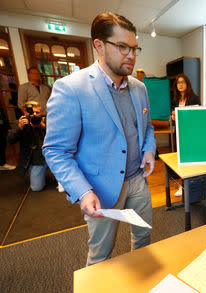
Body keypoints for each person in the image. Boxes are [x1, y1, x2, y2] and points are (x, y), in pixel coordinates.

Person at [43, 12, 156, 266]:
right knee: (101, 255)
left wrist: (149, 149)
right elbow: (56, 151)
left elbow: (147, 127)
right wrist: (83, 192)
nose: (131, 55)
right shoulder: (71, 88)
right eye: (122, 47)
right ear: (99, 45)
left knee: (144, 237)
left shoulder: (140, 88)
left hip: (138, 181)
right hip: (101, 190)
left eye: (134, 48)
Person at [170, 73, 200, 196]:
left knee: (190, 161)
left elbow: (196, 117)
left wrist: (180, 117)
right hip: (179, 132)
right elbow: (175, 117)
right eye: (178, 83)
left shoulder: (195, 98)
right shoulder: (176, 99)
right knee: (181, 160)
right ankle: (182, 187)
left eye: (182, 82)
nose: (180, 85)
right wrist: (173, 117)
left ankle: (192, 187)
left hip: (191, 134)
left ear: (187, 84)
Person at [7, 101, 46, 191]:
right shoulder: (20, 123)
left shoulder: (46, 120)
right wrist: (19, 128)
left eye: (37, 112)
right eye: (32, 112)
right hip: (36, 158)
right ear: (25, 112)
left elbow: (59, 137)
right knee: (36, 188)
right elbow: (10, 140)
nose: (35, 115)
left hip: (51, 154)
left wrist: (43, 126)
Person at [0, 99, 15, 171]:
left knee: (2, 145)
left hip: (2, 128)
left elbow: (3, 116)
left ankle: (2, 164)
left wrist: (8, 127)